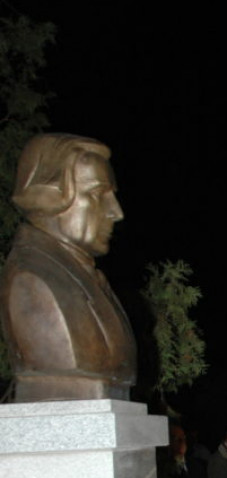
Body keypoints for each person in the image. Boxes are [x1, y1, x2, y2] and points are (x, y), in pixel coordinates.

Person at [0, 133, 136, 401]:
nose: (116, 212)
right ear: (49, 197)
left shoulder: (85, 275)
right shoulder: (32, 280)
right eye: (98, 194)